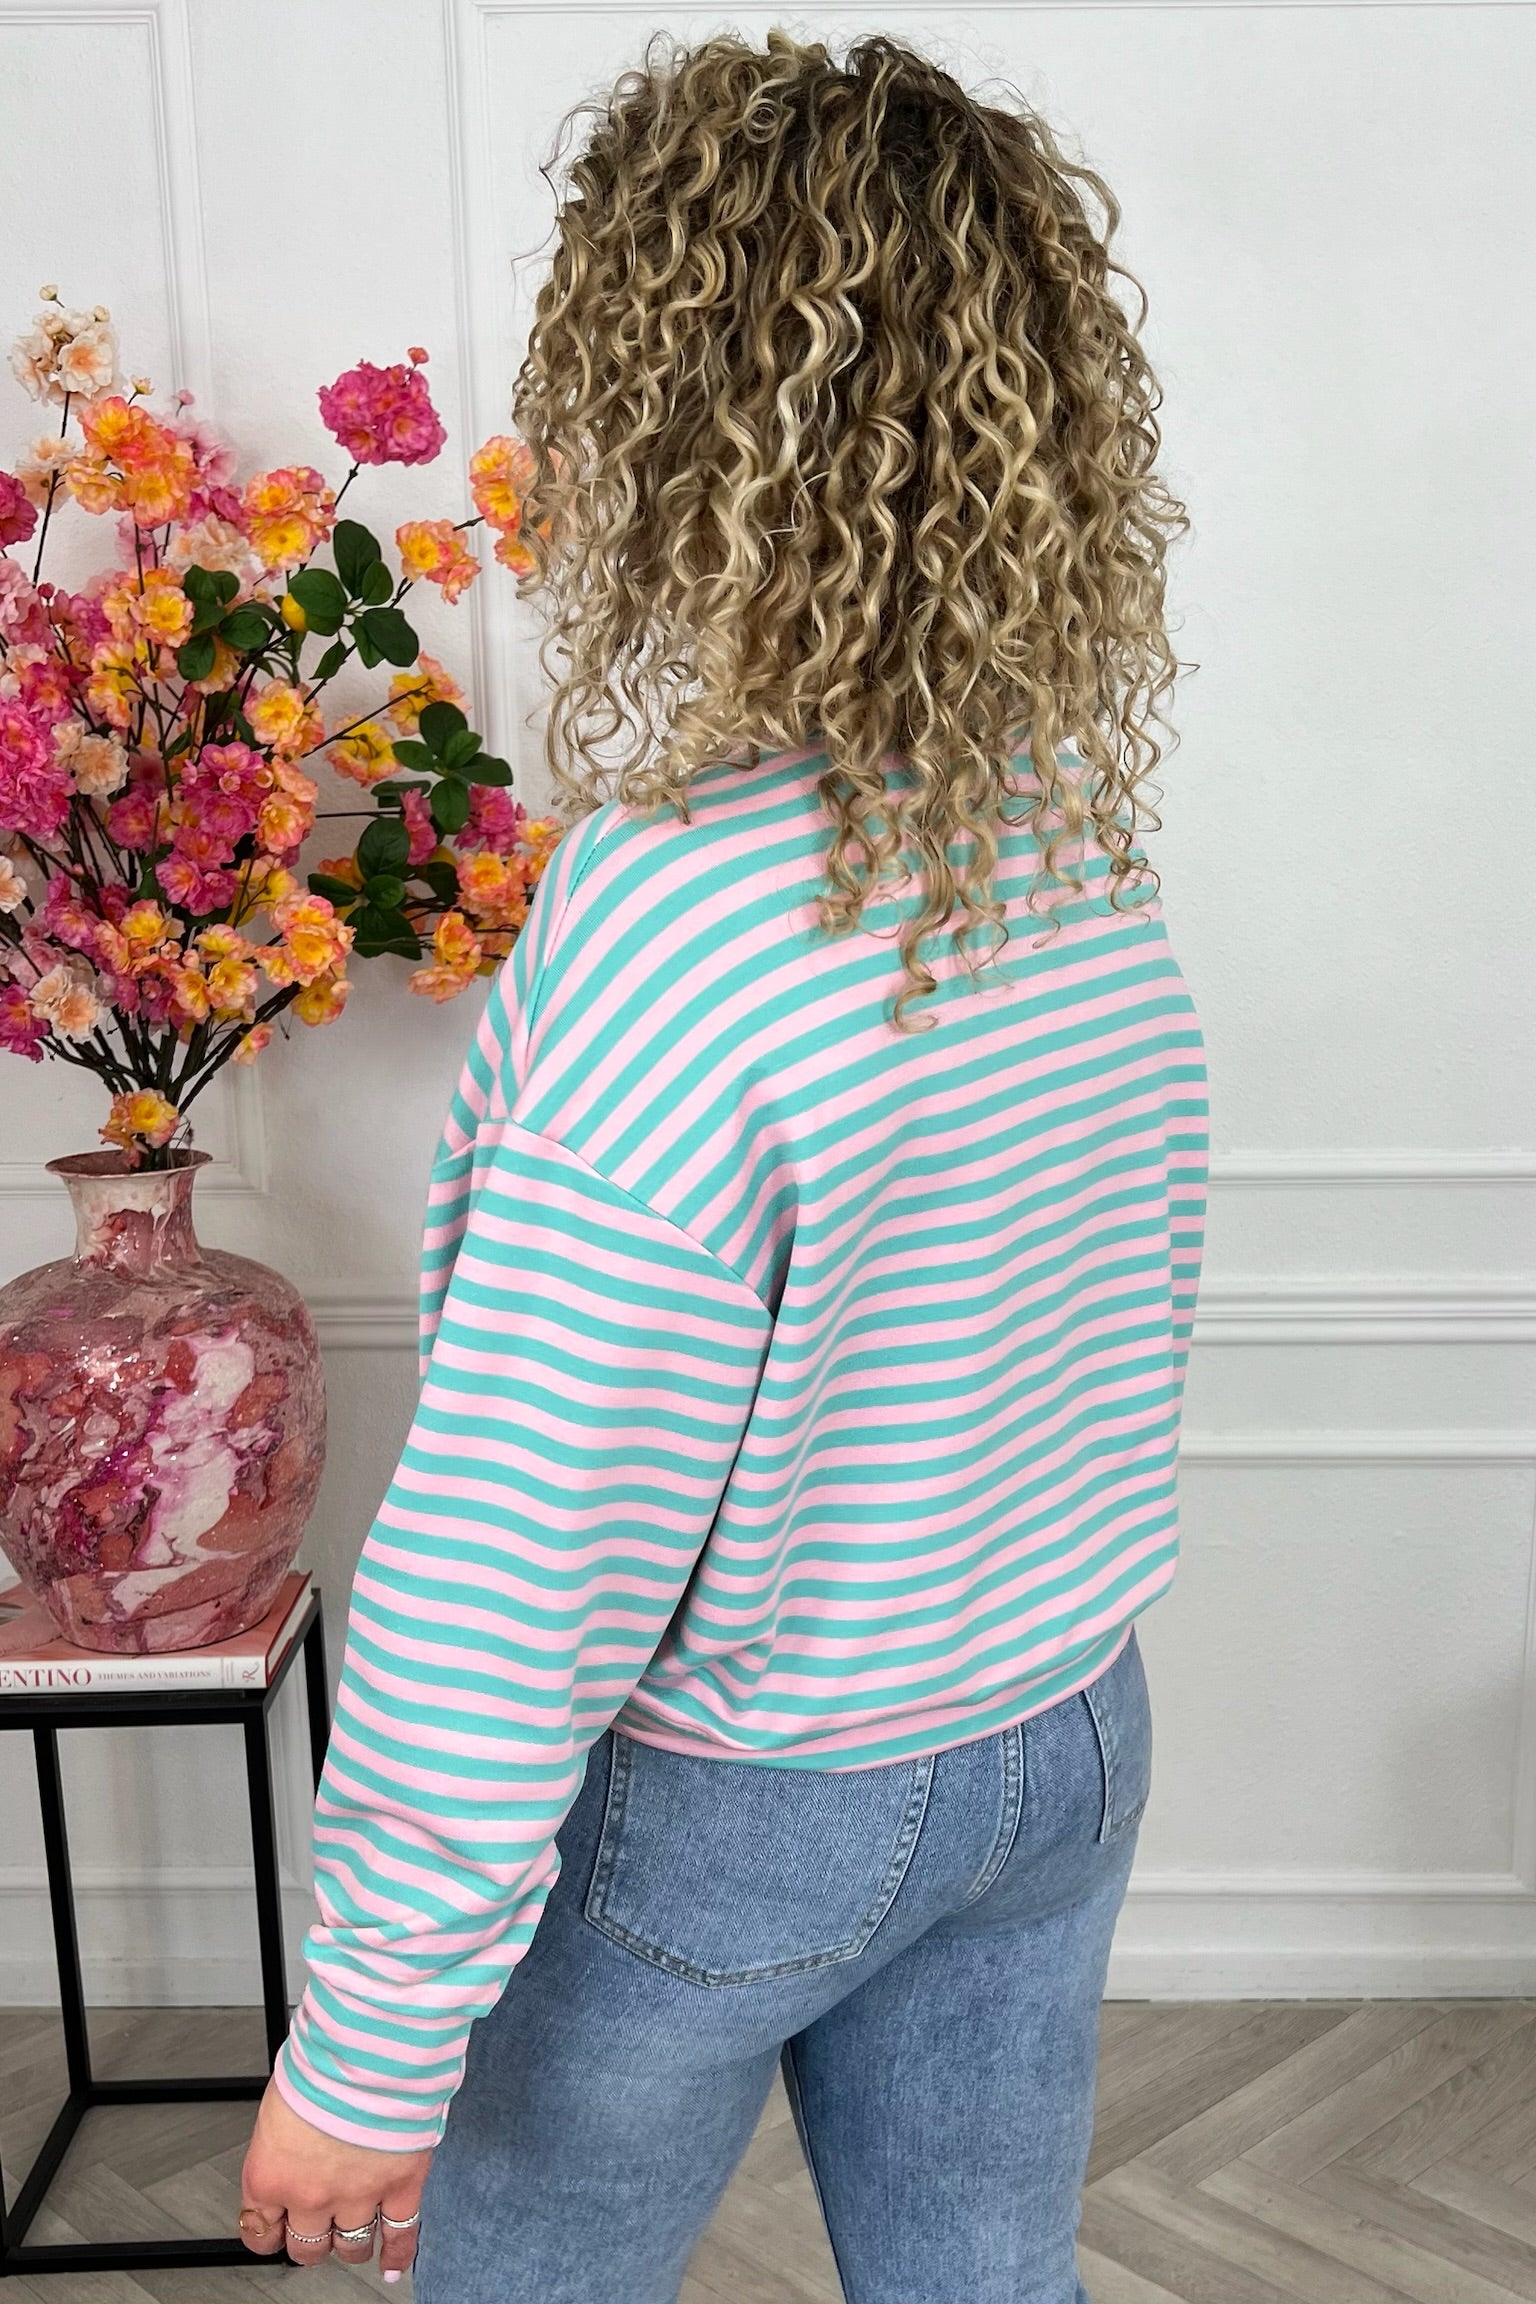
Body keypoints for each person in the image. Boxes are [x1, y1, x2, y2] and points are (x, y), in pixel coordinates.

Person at [238, 28, 1208, 2304]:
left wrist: (366, 2050)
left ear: (675, 419)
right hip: (1061, 1731)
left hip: (753, 1793)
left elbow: (530, 1520)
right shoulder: (1063, 845)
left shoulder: (678, 906)